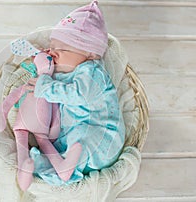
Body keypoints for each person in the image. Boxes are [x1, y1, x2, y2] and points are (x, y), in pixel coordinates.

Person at [26, 0, 126, 186]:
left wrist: (46, 86)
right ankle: (52, 167)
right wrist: (43, 62)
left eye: (62, 49)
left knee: (81, 137)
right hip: (73, 137)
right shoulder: (68, 70)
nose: (55, 53)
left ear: (91, 53)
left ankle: (64, 170)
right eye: (53, 47)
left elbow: (77, 94)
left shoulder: (93, 72)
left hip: (101, 137)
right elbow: (51, 81)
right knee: (59, 142)